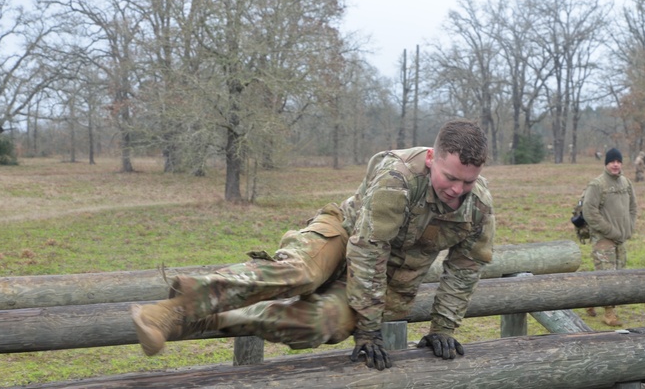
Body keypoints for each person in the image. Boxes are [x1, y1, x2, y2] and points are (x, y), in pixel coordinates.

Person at [131, 119, 496, 370]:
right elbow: (369, 249)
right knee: (300, 273)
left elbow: (464, 269)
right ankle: (173, 309)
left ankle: (195, 322)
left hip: (385, 280)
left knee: (320, 326)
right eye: (450, 178)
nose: (457, 190)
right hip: (344, 236)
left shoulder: (477, 207)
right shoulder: (397, 178)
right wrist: (368, 330)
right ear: (432, 159)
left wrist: (442, 330)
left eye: (467, 182)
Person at [580, 148, 638, 327]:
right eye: (612, 161)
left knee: (618, 274)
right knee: (608, 276)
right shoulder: (597, 185)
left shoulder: (626, 183)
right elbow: (589, 212)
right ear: (606, 163)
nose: (615, 164)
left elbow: (633, 208)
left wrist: (629, 228)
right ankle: (609, 313)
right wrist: (610, 231)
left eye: (618, 161)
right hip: (603, 239)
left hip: (621, 239)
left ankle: (589, 301)